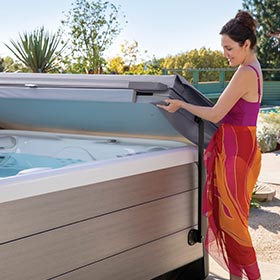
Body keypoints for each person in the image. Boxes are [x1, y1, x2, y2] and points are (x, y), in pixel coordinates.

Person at [157, 11, 262, 280]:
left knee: (233, 222)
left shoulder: (245, 72)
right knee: (232, 220)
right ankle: (238, 277)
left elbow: (215, 114)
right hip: (243, 146)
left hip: (236, 150)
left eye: (229, 48)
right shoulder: (254, 66)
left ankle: (253, 277)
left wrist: (180, 104)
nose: (225, 54)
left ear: (246, 44)